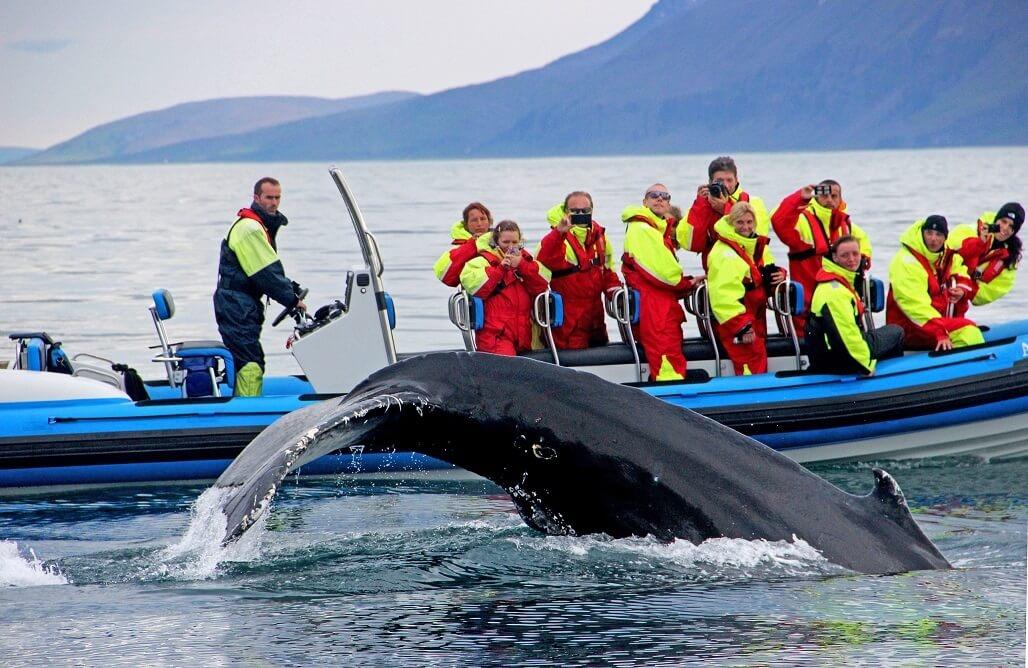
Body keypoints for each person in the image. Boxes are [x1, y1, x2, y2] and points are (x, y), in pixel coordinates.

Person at [214, 177, 306, 397]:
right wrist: (292, 300)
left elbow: (268, 271)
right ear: (256, 198)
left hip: (241, 303)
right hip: (236, 304)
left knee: (250, 356)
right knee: (250, 361)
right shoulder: (250, 229)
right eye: (269, 198)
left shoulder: (259, 225)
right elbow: (266, 274)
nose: (274, 203)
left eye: (277, 198)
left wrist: (292, 289)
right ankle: (245, 413)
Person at [621, 184, 700, 381]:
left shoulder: (655, 229)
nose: (659, 199)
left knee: (668, 357)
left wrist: (686, 283)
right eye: (654, 195)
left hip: (660, 305)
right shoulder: (643, 228)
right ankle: (674, 402)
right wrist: (686, 284)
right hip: (657, 309)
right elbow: (664, 275)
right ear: (644, 202)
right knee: (666, 361)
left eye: (665, 196)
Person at [771, 180, 872, 331]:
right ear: (816, 197)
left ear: (840, 199)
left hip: (843, 304)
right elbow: (779, 221)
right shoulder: (802, 221)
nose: (830, 200)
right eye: (824, 195)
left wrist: (864, 257)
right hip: (808, 310)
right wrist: (800, 197)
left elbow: (863, 242)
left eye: (834, 196)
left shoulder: (846, 224)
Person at [806, 236, 904, 375]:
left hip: (830, 352)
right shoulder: (834, 292)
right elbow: (846, 335)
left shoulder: (842, 282)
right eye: (844, 255)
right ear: (835, 257)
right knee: (896, 332)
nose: (851, 259)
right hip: (834, 358)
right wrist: (865, 365)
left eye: (855, 254)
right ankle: (890, 381)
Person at [708, 202, 786, 375]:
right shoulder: (726, 253)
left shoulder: (749, 247)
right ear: (731, 223)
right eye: (740, 222)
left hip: (754, 319)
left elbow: (760, 274)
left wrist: (779, 274)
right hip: (738, 323)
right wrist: (742, 327)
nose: (746, 226)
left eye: (749, 222)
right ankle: (754, 400)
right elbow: (723, 296)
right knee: (750, 364)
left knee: (756, 360)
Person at [535, 191, 620, 349]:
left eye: (585, 211)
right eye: (575, 211)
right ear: (566, 212)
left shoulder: (600, 238)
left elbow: (608, 270)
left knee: (600, 348)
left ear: (592, 211)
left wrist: (617, 295)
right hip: (569, 322)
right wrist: (559, 232)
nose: (580, 214)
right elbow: (544, 258)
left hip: (595, 318)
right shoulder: (556, 238)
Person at [886, 216, 984, 351]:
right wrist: (939, 330)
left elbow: (961, 272)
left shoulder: (945, 256)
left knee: (970, 329)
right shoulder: (907, 261)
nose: (933, 239)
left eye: (938, 234)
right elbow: (914, 306)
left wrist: (962, 290)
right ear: (922, 233)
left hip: (933, 323)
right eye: (929, 233)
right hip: (910, 327)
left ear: (945, 238)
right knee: (969, 334)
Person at [459, 220, 549, 355]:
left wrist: (522, 265)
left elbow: (543, 283)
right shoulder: (480, 262)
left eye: (514, 242)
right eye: (506, 242)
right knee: (508, 366)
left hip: (525, 335)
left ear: (520, 242)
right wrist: (500, 269)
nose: (510, 247)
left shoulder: (528, 261)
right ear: (496, 242)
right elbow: (475, 288)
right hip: (496, 335)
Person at [678, 156, 772, 264]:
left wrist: (726, 209)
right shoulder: (702, 206)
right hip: (719, 271)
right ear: (710, 182)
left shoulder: (753, 202)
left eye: (729, 180)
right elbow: (689, 244)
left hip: (754, 270)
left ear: (737, 181)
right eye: (719, 181)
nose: (725, 185)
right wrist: (701, 204)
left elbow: (753, 241)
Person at [946, 202, 1023, 316]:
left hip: (960, 300)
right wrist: (980, 243)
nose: (1005, 228)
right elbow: (948, 255)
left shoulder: (1009, 258)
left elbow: (992, 291)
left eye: (1012, 226)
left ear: (1015, 231)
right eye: (1003, 221)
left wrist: (965, 290)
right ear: (996, 220)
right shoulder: (969, 231)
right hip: (941, 283)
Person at [434, 202, 493, 287]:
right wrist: (473, 244)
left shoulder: (502, 240)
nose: (479, 224)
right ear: (466, 225)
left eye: (483, 219)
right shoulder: (462, 246)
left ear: (489, 221)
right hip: (474, 291)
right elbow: (446, 277)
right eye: (474, 220)